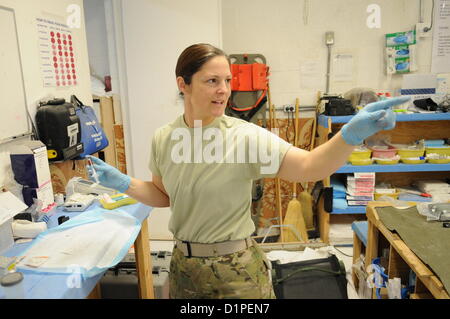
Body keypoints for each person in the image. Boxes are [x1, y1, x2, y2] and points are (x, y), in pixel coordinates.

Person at [87, 43, 410, 299]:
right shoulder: (165, 138)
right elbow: (163, 195)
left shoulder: (244, 135)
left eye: (227, 80)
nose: (224, 90)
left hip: (236, 271)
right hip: (184, 267)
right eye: (212, 81)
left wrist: (348, 135)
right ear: (183, 84)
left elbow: (310, 167)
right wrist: (123, 182)